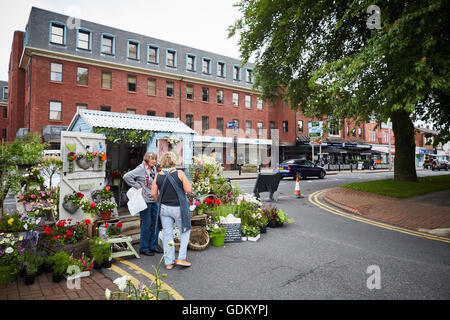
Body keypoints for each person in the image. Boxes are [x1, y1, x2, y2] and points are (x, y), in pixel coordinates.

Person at [151, 152, 192, 270]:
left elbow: (153, 193)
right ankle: (181, 258)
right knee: (185, 231)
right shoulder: (180, 173)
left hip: (164, 208)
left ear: (162, 162)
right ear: (174, 161)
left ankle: (169, 262)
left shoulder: (158, 175)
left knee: (167, 235)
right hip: (178, 208)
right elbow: (188, 190)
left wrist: (160, 200)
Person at [123, 151, 162, 256]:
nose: (154, 161)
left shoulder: (153, 168)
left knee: (157, 222)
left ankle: (153, 246)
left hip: (154, 199)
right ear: (147, 159)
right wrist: (137, 186)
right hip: (145, 200)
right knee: (147, 223)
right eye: (152, 159)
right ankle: (144, 248)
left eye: (155, 159)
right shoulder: (141, 168)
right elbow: (126, 176)